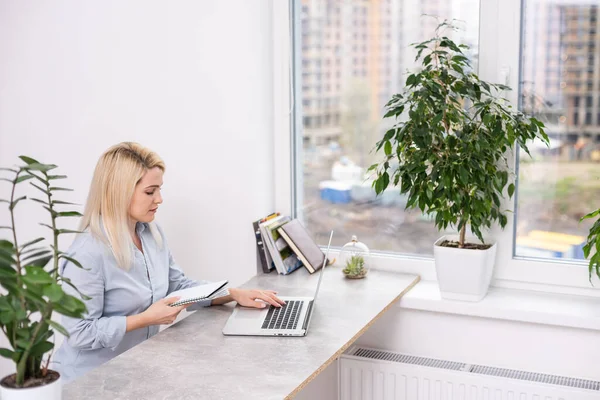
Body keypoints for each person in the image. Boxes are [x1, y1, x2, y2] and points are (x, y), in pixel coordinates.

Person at [52, 142, 284, 382]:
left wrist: (232, 293)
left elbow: (178, 287)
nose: (159, 199)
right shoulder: (88, 253)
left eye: (159, 189)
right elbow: (78, 333)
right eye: (150, 191)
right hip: (86, 381)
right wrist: (145, 319)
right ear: (119, 192)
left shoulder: (151, 234)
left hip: (130, 371)